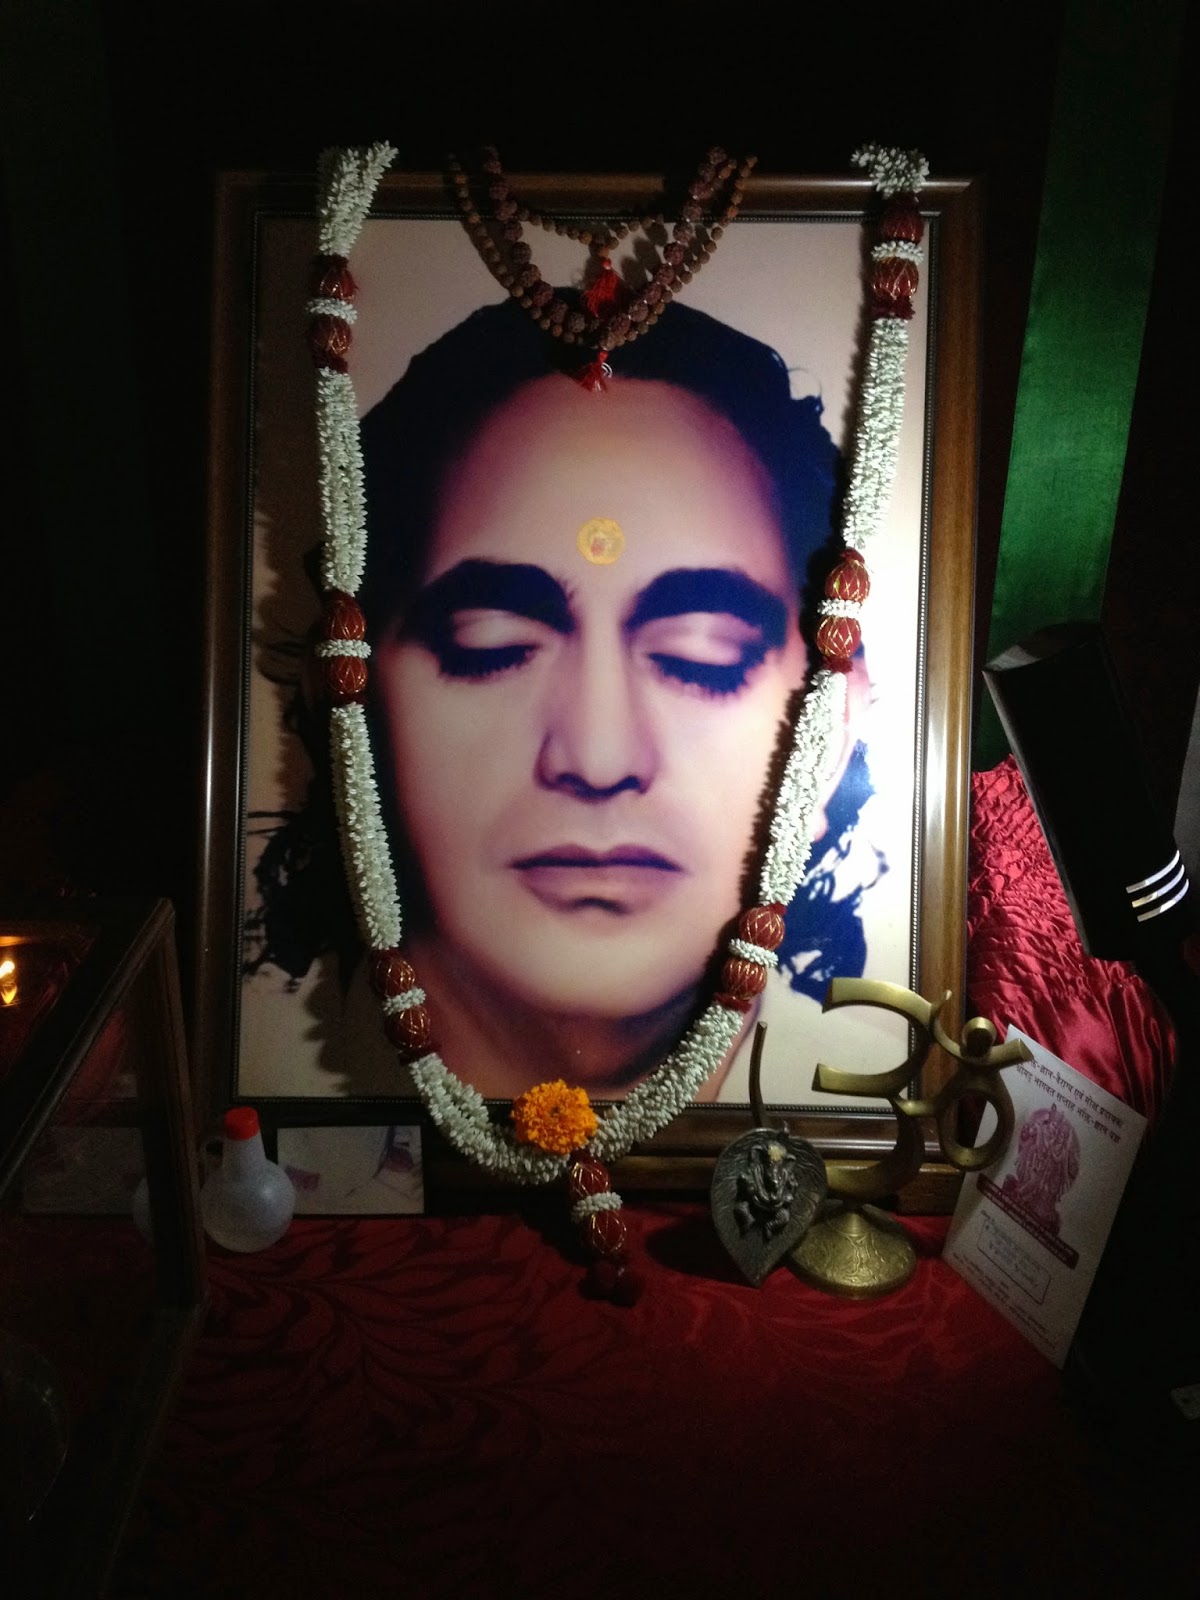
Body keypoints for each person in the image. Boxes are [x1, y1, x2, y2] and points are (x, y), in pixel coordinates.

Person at [353, 296, 876, 1099]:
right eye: (492, 646)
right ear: (357, 697)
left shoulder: (863, 1097)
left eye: (701, 656)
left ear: (834, 724)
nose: (598, 758)